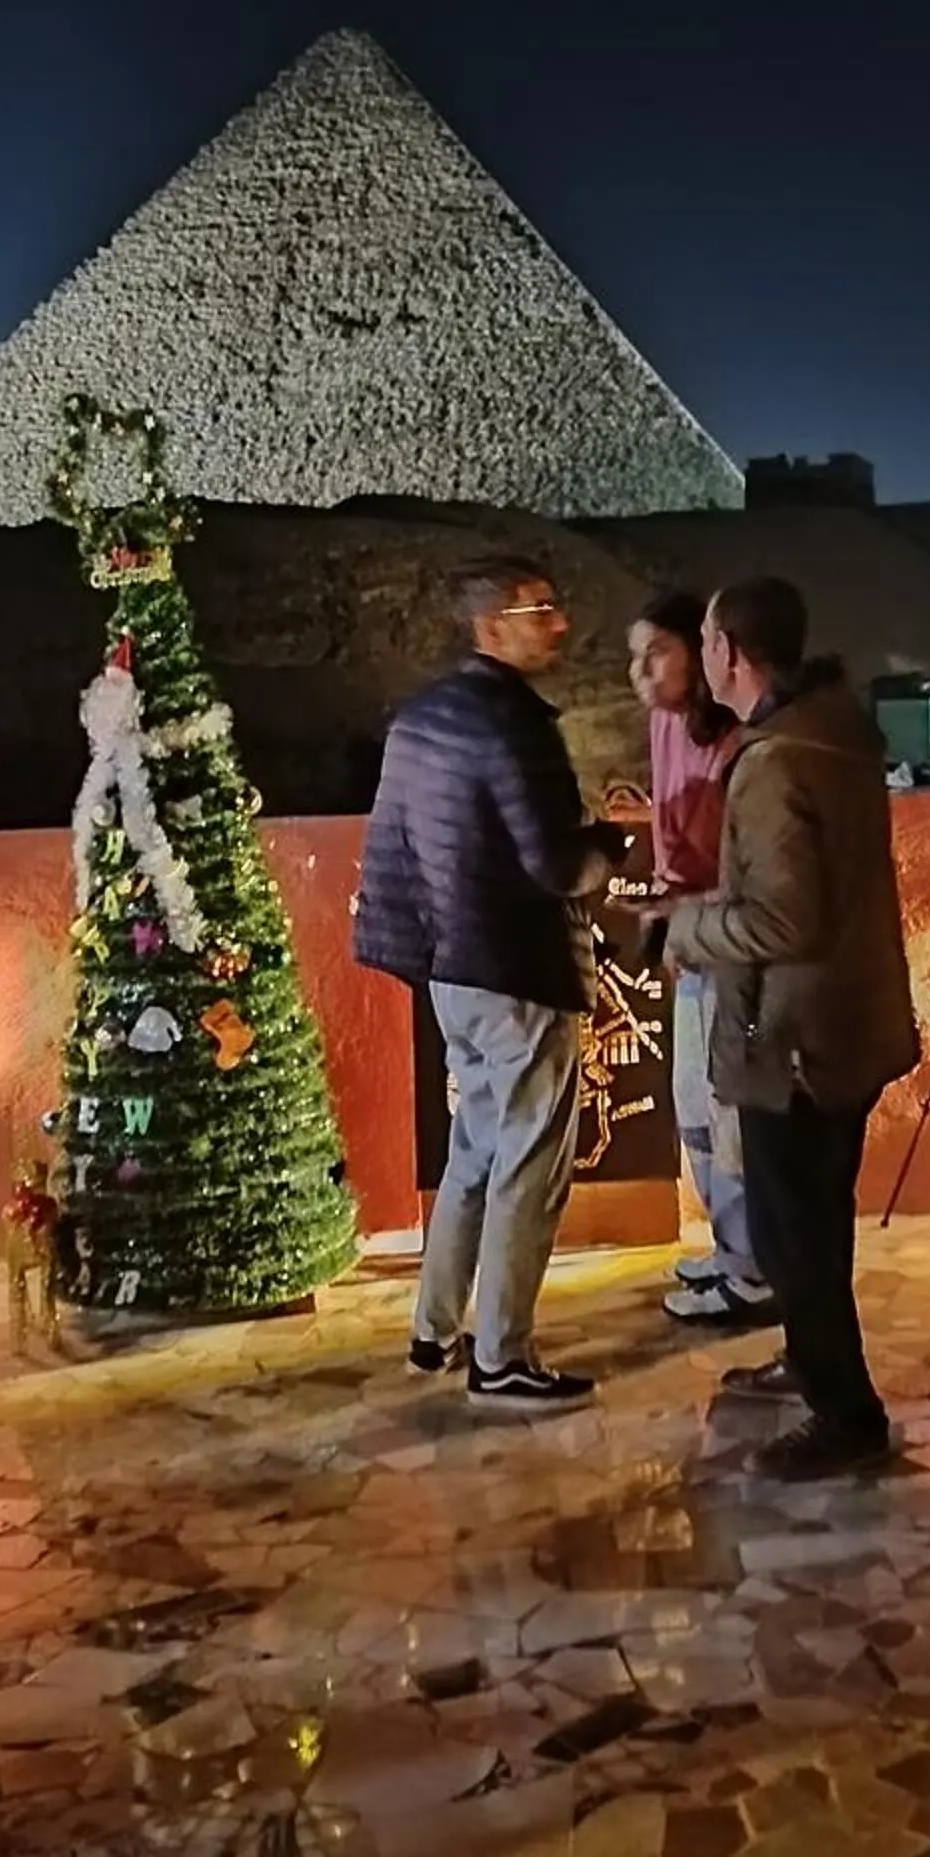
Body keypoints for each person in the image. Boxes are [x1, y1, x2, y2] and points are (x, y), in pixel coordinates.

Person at [354, 556, 629, 1404]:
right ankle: (503, 1356)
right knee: (530, 1162)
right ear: (489, 627)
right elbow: (553, 862)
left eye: (555, 605)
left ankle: (434, 1329)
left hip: (451, 972)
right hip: (519, 969)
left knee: (475, 1147)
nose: (558, 624)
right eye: (538, 610)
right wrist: (615, 841)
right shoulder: (514, 724)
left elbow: (397, 846)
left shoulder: (420, 719)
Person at [659, 578, 919, 1476]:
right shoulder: (832, 729)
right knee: (812, 1220)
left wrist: (680, 926)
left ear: (731, 651)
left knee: (791, 1230)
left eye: (702, 638)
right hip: (844, 1021)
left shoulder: (776, 758)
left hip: (799, 1036)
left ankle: (846, 1414)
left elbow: (784, 921)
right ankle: (811, 1362)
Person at [626, 593, 775, 1328]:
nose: (641, 671)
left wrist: (686, 914)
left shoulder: (742, 739)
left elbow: (746, 865)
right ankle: (729, 1246)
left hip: (726, 944)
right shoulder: (663, 723)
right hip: (689, 941)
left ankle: (752, 1271)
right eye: (635, 656)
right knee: (692, 1102)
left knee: (726, 1111)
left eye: (657, 651)